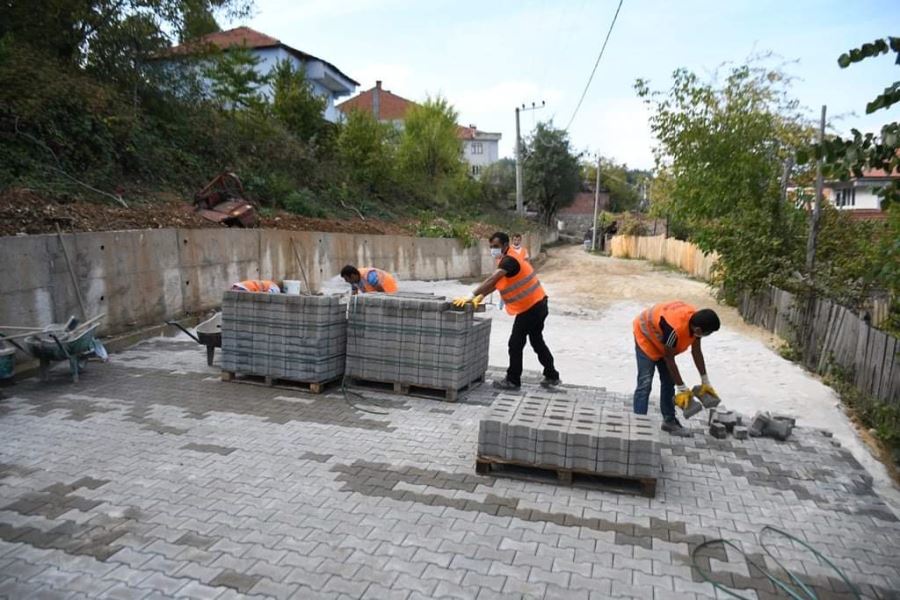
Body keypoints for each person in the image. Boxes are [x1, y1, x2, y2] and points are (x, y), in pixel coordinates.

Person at [453, 232, 560, 390]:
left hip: (531, 308)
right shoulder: (506, 258)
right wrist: (482, 296)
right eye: (491, 247)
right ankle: (552, 375)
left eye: (496, 246)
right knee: (536, 341)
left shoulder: (509, 260)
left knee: (515, 343)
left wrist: (471, 295)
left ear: (505, 245)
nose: (493, 250)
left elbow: (492, 279)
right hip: (539, 304)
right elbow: (497, 284)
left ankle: (513, 380)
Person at [632, 300, 721, 435]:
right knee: (645, 382)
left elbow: (696, 351)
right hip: (646, 337)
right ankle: (639, 423)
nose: (707, 336)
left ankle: (669, 422)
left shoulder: (696, 322)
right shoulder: (675, 329)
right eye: (708, 333)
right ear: (698, 330)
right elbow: (669, 358)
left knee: (668, 382)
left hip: (664, 341)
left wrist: (705, 380)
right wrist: (682, 388)